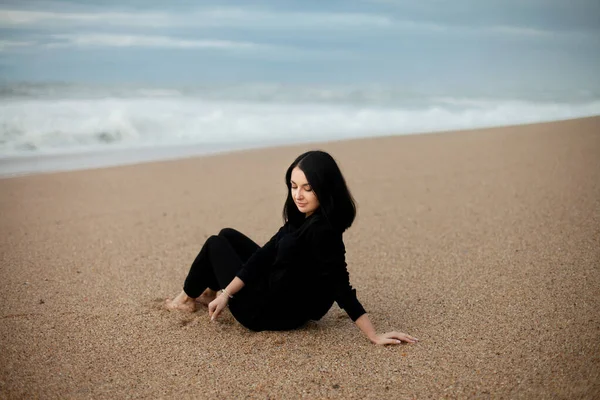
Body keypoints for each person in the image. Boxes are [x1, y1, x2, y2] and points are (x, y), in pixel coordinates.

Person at [166, 150, 418, 345]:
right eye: (294, 186)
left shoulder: (323, 233)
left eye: (308, 189)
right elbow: (264, 255)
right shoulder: (302, 219)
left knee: (214, 244)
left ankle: (186, 299)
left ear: (325, 190)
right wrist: (226, 293)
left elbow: (341, 287)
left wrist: (374, 335)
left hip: (264, 311)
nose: (298, 195)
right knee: (227, 235)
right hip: (275, 290)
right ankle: (211, 292)